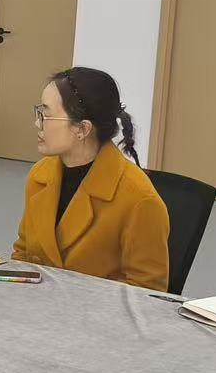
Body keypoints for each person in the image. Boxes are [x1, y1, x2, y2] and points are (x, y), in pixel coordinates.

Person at [12, 67, 170, 291]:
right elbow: (23, 255)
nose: (37, 124)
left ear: (82, 129)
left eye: (46, 115)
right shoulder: (40, 175)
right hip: (38, 306)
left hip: (97, 312)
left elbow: (146, 292)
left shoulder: (139, 199)